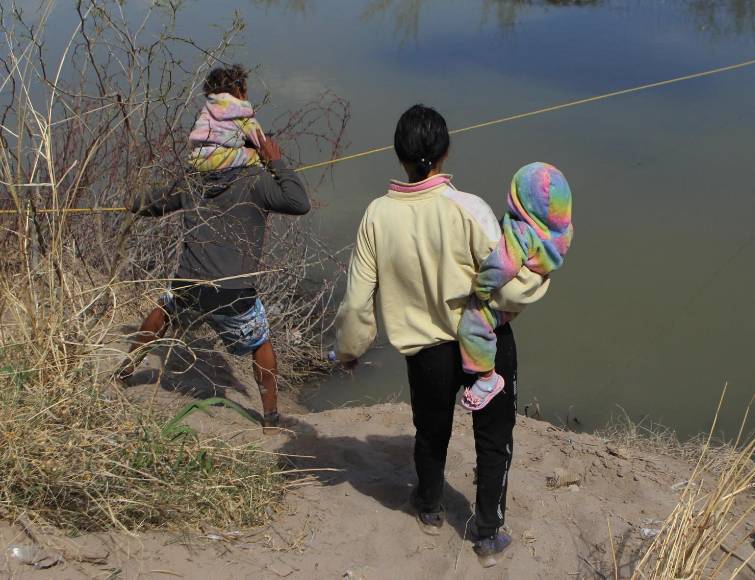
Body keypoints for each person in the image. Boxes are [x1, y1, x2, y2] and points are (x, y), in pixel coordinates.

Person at [333, 104, 547, 567]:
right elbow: (506, 281)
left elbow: (356, 302)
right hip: (485, 344)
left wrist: (350, 349)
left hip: (425, 352)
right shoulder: (469, 208)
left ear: (398, 155)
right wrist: (540, 275)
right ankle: (488, 534)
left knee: (431, 431)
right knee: (493, 437)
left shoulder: (377, 215)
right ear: (446, 151)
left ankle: (428, 507)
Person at [117, 74, 310, 432]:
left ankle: (127, 369)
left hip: (190, 282)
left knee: (163, 309)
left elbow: (158, 203)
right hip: (233, 293)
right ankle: (270, 418)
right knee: (260, 341)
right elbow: (300, 202)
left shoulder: (193, 178)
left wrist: (131, 205)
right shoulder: (257, 181)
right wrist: (277, 163)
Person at [457, 162, 573, 411]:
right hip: (524, 297)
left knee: (474, 324)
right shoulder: (563, 232)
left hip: (503, 294)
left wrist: (482, 289)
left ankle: (487, 378)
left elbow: (502, 267)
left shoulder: (522, 232)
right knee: (499, 319)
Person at [188, 64, 265, 172]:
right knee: (256, 156)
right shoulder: (241, 112)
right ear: (240, 91)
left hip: (198, 160)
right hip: (222, 161)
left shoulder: (206, 111)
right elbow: (260, 142)